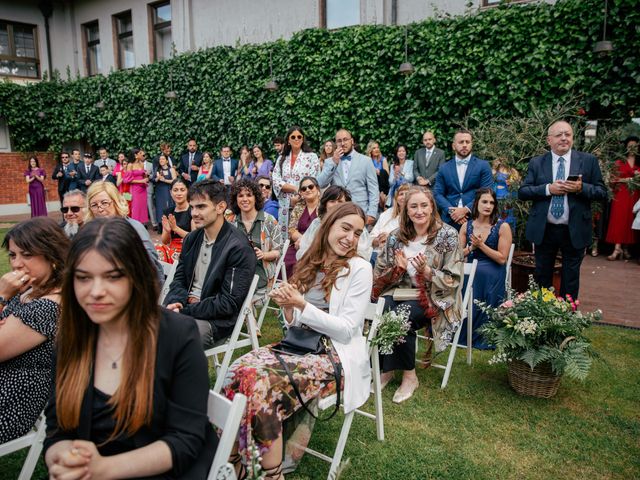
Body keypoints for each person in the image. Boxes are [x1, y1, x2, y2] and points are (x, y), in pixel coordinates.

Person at [43, 218, 216, 479]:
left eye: (113, 276)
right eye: (83, 278)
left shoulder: (178, 336)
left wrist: (104, 469)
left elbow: (186, 440)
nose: (96, 291)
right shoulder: (72, 339)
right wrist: (63, 457)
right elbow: (58, 428)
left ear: (137, 277)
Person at [223, 203, 372, 479]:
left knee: (263, 384)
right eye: (346, 228)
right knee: (238, 369)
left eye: (357, 232)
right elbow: (295, 324)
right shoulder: (311, 261)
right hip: (298, 345)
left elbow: (347, 330)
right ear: (328, 225)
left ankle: (272, 473)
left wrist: (301, 305)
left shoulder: (359, 268)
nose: (350, 238)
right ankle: (232, 460)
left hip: (333, 355)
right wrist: (289, 309)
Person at [372, 187, 463, 403]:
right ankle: (387, 369)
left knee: (400, 315)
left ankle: (409, 376)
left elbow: (454, 280)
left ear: (432, 207)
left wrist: (428, 272)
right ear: (405, 209)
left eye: (424, 205)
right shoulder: (396, 237)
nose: (419, 211)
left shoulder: (447, 236)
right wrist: (398, 270)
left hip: (434, 296)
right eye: (413, 206)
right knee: (380, 310)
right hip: (401, 292)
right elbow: (378, 277)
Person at [518, 120, 607, 300]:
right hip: (545, 229)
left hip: (574, 229)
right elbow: (523, 192)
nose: (564, 138)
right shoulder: (537, 162)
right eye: (559, 135)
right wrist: (548, 189)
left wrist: (581, 188)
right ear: (549, 140)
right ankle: (541, 317)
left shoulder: (588, 161)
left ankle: (567, 317)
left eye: (568, 134)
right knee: (542, 275)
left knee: (571, 278)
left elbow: (602, 193)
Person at [164, 180, 257, 348]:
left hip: (216, 321)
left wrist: (184, 310)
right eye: (192, 207)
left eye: (201, 207)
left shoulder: (238, 247)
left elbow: (228, 303)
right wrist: (176, 302)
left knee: (171, 341)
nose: (194, 213)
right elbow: (179, 280)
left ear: (220, 207)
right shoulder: (192, 239)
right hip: (186, 310)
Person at [0, 217, 69, 443]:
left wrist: (1, 296)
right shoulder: (30, 291)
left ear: (52, 257)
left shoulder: (48, 306)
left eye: (27, 254)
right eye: (13, 255)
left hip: (9, 404)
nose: (17, 264)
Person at [458, 188, 512, 349]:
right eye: (484, 201)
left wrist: (481, 245)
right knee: (467, 274)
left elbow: (502, 258)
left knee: (480, 273)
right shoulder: (466, 226)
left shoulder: (502, 227)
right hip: (471, 266)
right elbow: (457, 256)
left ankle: (483, 334)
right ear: (476, 203)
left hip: (493, 268)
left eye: (492, 203)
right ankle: (462, 330)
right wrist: (471, 248)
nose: (488, 206)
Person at [85, 181, 164, 284]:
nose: (100, 209)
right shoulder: (91, 232)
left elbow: (150, 265)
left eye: (104, 203)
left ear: (116, 202)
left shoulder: (134, 228)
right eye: (94, 205)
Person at [227, 178, 282, 296]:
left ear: (256, 197)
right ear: (235, 199)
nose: (245, 199)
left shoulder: (269, 221)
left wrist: (264, 254)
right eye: (240, 196)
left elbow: (278, 252)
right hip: (235, 274)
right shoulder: (231, 222)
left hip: (260, 274)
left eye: (249, 195)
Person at [433, 129, 493, 228]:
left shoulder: (483, 166)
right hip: (449, 219)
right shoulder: (444, 168)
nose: (464, 145)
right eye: (461, 142)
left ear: (471, 144)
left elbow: (486, 192)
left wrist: (465, 210)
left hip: (475, 218)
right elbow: (438, 193)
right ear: (453, 146)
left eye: (467, 142)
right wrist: (452, 211)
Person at [317, 129, 379, 225]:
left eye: (345, 139)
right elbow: (320, 183)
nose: (342, 143)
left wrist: (372, 214)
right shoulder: (330, 162)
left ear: (352, 141)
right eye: (339, 141)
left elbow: (373, 189)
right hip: (337, 214)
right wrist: (334, 162)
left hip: (360, 212)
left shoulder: (366, 161)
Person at [296, 185, 372, 261]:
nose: (336, 205)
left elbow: (364, 253)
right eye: (332, 201)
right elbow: (305, 249)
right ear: (325, 204)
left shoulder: (356, 225)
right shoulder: (317, 223)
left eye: (340, 201)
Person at [272, 126, 321, 236]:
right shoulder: (281, 158)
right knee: (284, 238)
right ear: (288, 140)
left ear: (303, 139)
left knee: (301, 236)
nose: (296, 139)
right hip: (284, 205)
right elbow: (275, 179)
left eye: (299, 136)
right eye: (293, 137)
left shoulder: (312, 157)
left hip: (304, 203)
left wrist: (299, 196)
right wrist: (295, 188)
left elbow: (313, 180)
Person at [605, 135, 639, 260]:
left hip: (634, 195)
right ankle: (617, 248)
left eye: (635, 146)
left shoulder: (639, 163)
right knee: (619, 219)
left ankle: (626, 248)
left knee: (631, 219)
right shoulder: (619, 162)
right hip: (621, 194)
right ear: (626, 147)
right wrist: (628, 179)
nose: (632, 148)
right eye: (630, 146)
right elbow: (611, 180)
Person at [284, 176, 321, 279]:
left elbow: (324, 231)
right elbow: (291, 229)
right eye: (304, 189)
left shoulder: (324, 207)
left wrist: (305, 242)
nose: (307, 190)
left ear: (317, 189)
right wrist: (301, 240)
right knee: (286, 261)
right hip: (296, 244)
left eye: (310, 187)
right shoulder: (299, 207)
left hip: (315, 246)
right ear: (301, 193)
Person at [369, 183, 410, 265]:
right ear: (396, 198)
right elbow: (372, 237)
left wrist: (390, 239)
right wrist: (378, 240)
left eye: (407, 194)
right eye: (401, 194)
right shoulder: (386, 214)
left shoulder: (413, 216)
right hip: (378, 252)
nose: (404, 196)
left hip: (399, 256)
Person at [157, 178, 193, 264]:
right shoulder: (168, 212)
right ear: (170, 193)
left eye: (182, 190)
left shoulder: (193, 211)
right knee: (157, 250)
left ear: (187, 191)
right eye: (175, 190)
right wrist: (167, 231)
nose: (179, 193)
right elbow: (165, 241)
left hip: (188, 249)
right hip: (172, 249)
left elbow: (194, 238)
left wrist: (176, 228)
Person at [492, 158, 520, 233]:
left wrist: (512, 184)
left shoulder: (513, 171)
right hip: (496, 198)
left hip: (508, 199)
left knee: (507, 220)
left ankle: (508, 238)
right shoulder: (495, 170)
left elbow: (516, 187)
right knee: (496, 221)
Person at [124, 148, 150, 225]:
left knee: (142, 208)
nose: (142, 154)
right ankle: (135, 225)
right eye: (140, 153)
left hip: (143, 189)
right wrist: (141, 181)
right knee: (135, 208)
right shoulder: (130, 165)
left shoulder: (141, 164)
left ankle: (141, 225)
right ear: (135, 155)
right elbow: (127, 180)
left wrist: (146, 178)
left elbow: (143, 176)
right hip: (135, 189)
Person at [153, 153, 177, 230]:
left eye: (163, 159)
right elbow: (154, 180)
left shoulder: (171, 169)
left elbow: (175, 180)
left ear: (167, 161)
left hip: (167, 190)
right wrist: (157, 178)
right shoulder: (157, 169)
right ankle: (160, 224)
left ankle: (170, 224)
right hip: (159, 190)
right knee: (160, 207)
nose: (161, 160)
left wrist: (165, 180)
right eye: (160, 159)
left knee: (168, 206)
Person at [366, 140, 390, 210]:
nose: (376, 149)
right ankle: (381, 198)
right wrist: (373, 171)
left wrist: (379, 171)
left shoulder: (383, 159)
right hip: (372, 184)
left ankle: (382, 195)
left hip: (383, 184)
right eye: (374, 148)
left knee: (382, 173)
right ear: (370, 150)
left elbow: (387, 174)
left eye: (377, 147)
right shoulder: (367, 160)